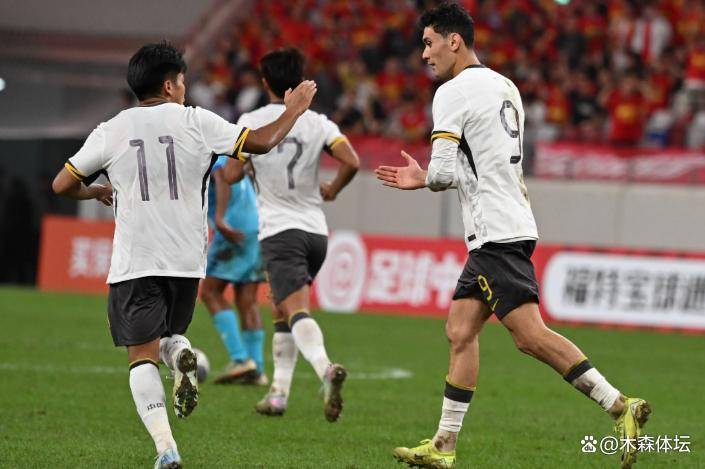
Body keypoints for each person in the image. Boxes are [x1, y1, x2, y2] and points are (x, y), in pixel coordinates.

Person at [374, 4, 650, 469]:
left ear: (454, 41)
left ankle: (620, 405)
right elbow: (485, 162)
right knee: (460, 330)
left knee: (529, 336)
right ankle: (444, 445)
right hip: (511, 221)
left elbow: (443, 172)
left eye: (429, 43)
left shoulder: (452, 92)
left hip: (494, 232)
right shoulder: (506, 86)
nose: (424, 54)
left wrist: (423, 178)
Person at [52, 41, 316, 468]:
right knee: (167, 338)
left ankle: (166, 449)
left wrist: (95, 190)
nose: (184, 88)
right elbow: (261, 142)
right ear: (170, 85)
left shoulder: (112, 128)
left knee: (140, 356)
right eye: (182, 81)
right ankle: (179, 355)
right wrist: (294, 111)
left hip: (137, 261)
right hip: (187, 262)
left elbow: (62, 184)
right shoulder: (197, 121)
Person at [223, 48, 360, 422]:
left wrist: (248, 163)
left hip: (280, 232)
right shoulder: (318, 122)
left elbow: (230, 175)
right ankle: (278, 394)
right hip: (316, 233)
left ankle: (325, 369)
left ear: (265, 82)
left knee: (296, 310)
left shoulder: (252, 120)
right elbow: (351, 161)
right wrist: (333, 189)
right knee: (281, 309)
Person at [200, 155, 267, 385]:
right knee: (247, 299)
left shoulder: (217, 152)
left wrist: (219, 218)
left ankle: (240, 359)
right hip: (257, 226)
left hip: (234, 226)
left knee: (210, 292)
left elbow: (221, 176)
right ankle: (257, 368)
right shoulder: (237, 153)